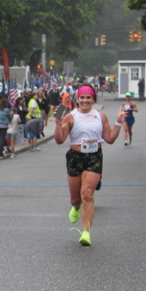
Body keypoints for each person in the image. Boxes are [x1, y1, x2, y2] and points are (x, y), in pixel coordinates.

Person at [53, 84, 124, 246]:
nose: (85, 100)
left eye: (88, 97)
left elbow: (110, 139)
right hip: (75, 157)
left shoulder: (101, 116)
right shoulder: (70, 117)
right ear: (77, 99)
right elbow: (59, 140)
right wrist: (58, 123)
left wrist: (119, 123)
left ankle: (86, 232)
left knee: (87, 194)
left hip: (94, 157)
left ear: (93, 99)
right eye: (82, 97)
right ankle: (76, 207)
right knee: (75, 199)